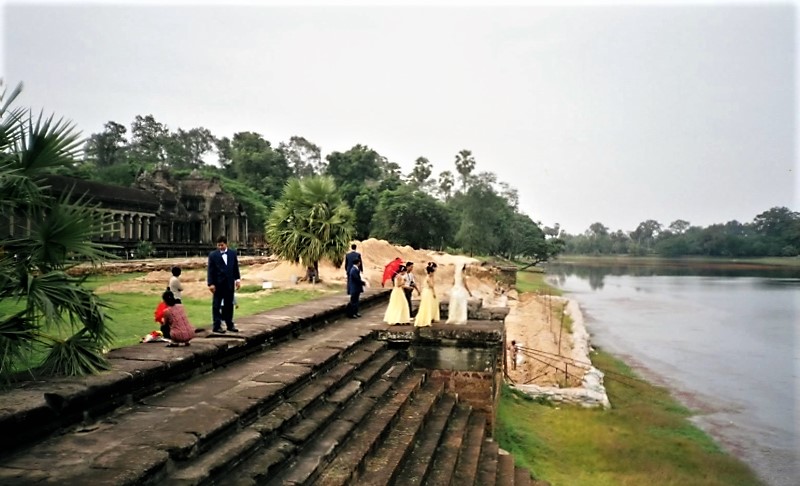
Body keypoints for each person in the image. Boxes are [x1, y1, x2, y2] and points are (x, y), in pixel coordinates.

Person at [207, 235, 241, 333]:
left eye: (222, 245)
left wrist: (237, 280)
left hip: (229, 283)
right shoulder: (213, 255)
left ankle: (229, 324)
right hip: (218, 284)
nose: (220, 247)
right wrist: (210, 283)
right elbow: (210, 270)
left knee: (229, 305)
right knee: (216, 305)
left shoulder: (232, 254)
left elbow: (235, 268)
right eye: (218, 245)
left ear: (226, 244)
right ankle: (217, 325)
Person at [414, 262, 440, 327]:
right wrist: (434, 293)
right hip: (428, 292)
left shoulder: (428, 277)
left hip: (426, 291)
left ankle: (430, 317)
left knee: (429, 304)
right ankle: (426, 319)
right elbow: (432, 286)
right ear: (430, 272)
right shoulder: (428, 278)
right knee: (427, 305)